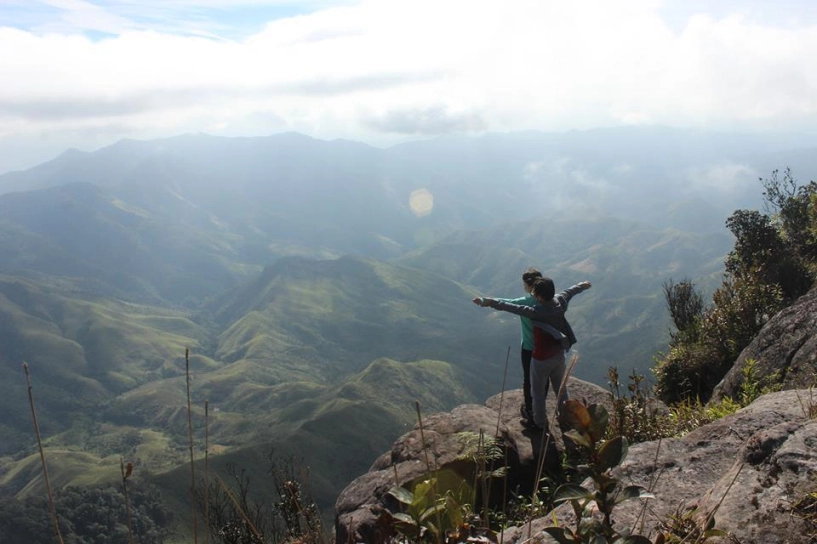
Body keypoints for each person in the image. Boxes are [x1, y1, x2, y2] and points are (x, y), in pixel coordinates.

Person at [473, 278, 591, 431]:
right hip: (559, 355)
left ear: (540, 296)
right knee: (561, 389)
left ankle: (539, 423)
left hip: (541, 358)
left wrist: (487, 302)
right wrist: (582, 285)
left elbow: (511, 307)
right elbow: (570, 291)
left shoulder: (536, 311)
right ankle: (566, 418)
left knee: (537, 393)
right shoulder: (560, 302)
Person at [490, 268, 543, 423]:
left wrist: (487, 301)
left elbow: (507, 303)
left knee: (528, 379)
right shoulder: (549, 301)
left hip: (528, 347)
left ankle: (530, 410)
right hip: (547, 348)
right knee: (543, 380)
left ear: (528, 285)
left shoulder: (526, 302)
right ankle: (540, 406)